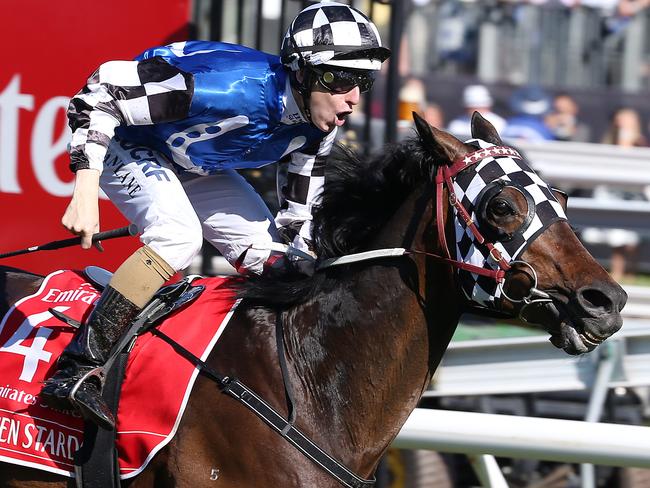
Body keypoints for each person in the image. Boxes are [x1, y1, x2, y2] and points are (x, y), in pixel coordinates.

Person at [41, 1, 390, 430]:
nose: (354, 98)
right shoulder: (227, 89)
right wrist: (86, 186)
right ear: (302, 71)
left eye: (365, 82)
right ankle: (75, 369)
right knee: (178, 236)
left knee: (281, 262)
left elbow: (299, 218)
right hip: (128, 139)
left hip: (193, 163)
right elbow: (99, 92)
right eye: (343, 79)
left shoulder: (319, 127)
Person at [581, 107, 648, 281]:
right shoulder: (610, 140)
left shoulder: (641, 141)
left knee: (633, 237)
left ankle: (631, 271)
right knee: (617, 236)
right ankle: (618, 271)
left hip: (635, 191)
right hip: (615, 190)